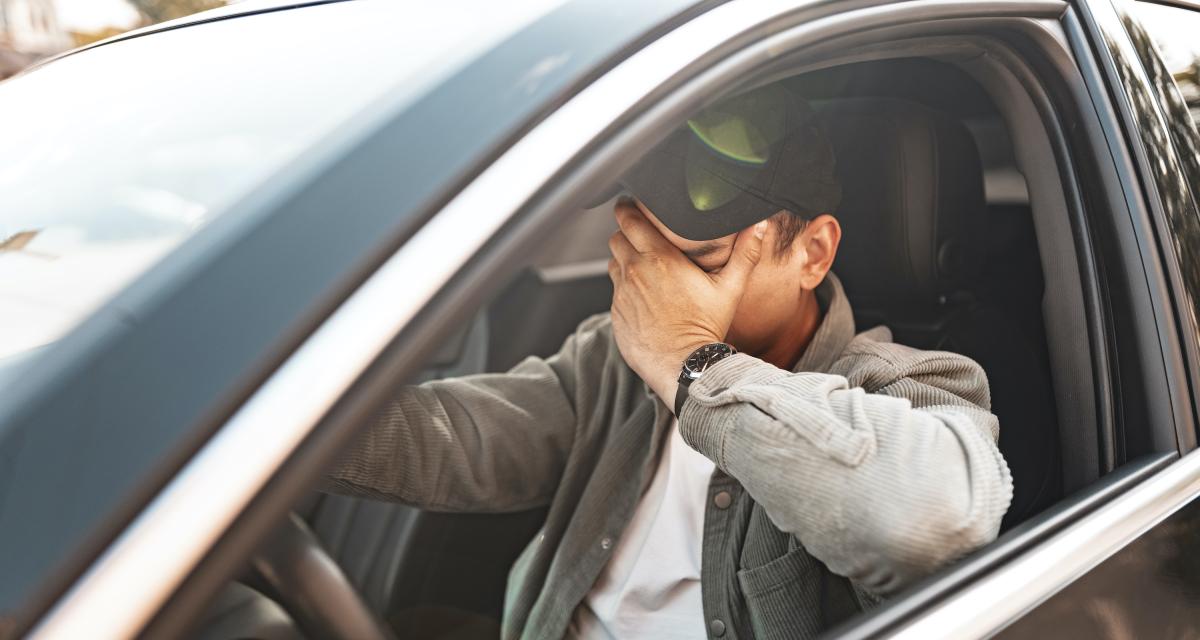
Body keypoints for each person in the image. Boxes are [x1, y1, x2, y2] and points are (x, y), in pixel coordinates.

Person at [325, 85, 1013, 640]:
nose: (659, 289)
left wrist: (693, 364)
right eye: (648, 252)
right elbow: (461, 441)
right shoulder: (614, 357)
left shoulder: (906, 384)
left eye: (703, 262)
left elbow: (935, 523)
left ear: (813, 253)